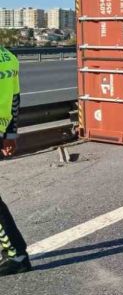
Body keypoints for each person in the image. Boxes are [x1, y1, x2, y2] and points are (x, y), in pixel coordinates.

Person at [0, 46, 31, 276]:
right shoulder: (8, 56)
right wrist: (10, 134)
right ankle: (12, 251)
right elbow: (15, 99)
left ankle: (17, 255)